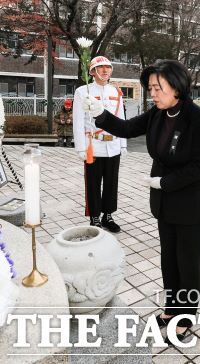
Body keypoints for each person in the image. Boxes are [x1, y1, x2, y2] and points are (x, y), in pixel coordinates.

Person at [86, 59, 200, 344]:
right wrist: (101, 114)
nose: (152, 94)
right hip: (164, 203)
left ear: (177, 87)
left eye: (157, 88)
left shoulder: (199, 119)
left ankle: (186, 316)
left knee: (188, 262)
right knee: (169, 260)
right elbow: (128, 128)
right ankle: (171, 310)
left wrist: (165, 182)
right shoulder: (157, 113)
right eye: (150, 88)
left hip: (191, 203)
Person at [72, 56, 126, 232]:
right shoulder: (82, 91)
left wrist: (123, 143)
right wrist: (80, 147)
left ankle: (108, 216)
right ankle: (95, 217)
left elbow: (121, 119)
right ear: (92, 72)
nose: (105, 71)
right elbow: (78, 121)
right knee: (93, 183)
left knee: (112, 183)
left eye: (108, 67)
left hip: (113, 145)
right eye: (100, 67)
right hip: (93, 146)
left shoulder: (116, 91)